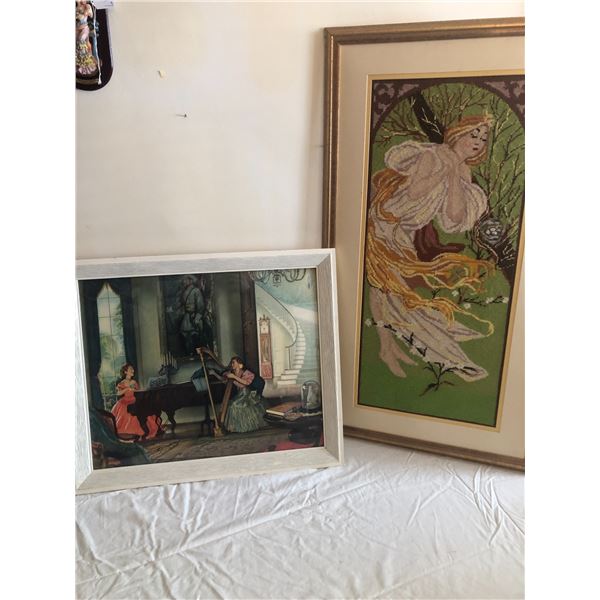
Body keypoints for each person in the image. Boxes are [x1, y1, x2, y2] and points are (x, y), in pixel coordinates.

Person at [366, 114, 495, 381]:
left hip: (404, 230)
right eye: (473, 134)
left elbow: (454, 217)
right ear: (458, 134)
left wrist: (456, 174)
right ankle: (440, 355)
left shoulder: (463, 171)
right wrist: (446, 168)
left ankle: (390, 347)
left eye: (483, 139)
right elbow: (414, 192)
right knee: (390, 289)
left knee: (391, 290)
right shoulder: (432, 155)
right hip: (386, 220)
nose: (478, 142)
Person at [111, 364, 162, 439]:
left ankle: (147, 430)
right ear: (125, 372)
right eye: (130, 369)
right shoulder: (122, 383)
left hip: (135, 399)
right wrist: (127, 389)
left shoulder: (134, 382)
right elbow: (118, 393)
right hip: (125, 400)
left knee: (143, 408)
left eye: (133, 369)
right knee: (125, 410)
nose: (133, 371)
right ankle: (130, 432)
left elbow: (137, 391)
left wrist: (140, 390)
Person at [221, 356, 266, 433]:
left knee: (235, 404)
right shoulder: (233, 373)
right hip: (240, 394)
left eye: (233, 362)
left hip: (247, 394)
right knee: (230, 404)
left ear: (240, 364)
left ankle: (243, 426)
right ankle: (235, 427)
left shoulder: (246, 373)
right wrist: (214, 374)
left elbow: (245, 383)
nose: (232, 364)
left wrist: (234, 377)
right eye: (232, 363)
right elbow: (225, 380)